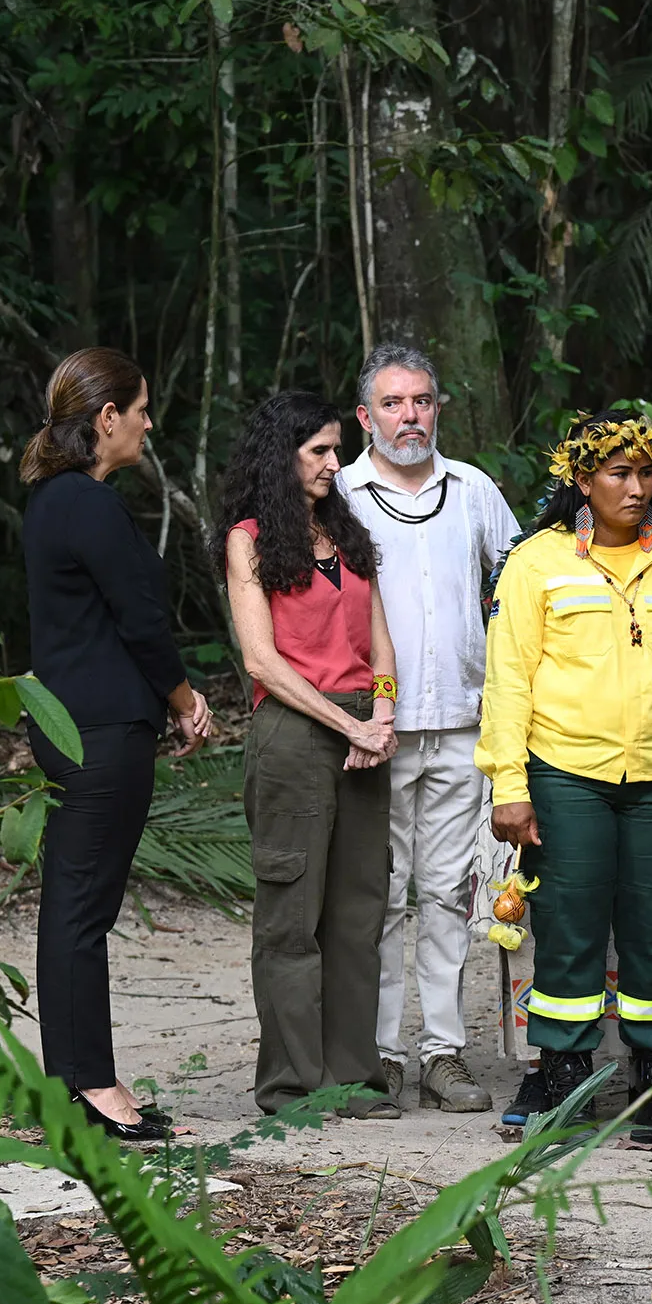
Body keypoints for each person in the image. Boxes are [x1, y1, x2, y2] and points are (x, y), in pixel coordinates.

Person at [477, 411, 652, 1149]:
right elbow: (509, 680)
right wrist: (509, 782)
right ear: (583, 480)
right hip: (567, 776)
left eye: (646, 472)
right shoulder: (537, 563)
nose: (637, 487)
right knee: (570, 933)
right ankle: (565, 1082)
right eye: (619, 473)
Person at [21, 346, 213, 1142]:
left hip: (73, 722)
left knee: (75, 904)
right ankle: (87, 1086)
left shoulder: (50, 500)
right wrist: (185, 699)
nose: (146, 423)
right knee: (80, 908)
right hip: (99, 727)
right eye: (138, 410)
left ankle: (82, 1076)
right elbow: (140, 620)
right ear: (106, 419)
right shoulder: (90, 506)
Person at [337, 343, 519, 1118]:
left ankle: (442, 1051)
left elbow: (515, 585)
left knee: (448, 894)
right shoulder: (339, 493)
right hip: (373, 732)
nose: (409, 416)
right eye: (393, 403)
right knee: (377, 896)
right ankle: (377, 1053)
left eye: (421, 401)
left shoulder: (473, 489)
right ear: (364, 416)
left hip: (462, 726)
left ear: (438, 407)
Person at [221, 390, 401, 1119]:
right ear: (282, 456)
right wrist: (347, 726)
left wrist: (383, 711)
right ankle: (292, 1085)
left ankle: (353, 1080)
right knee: (292, 916)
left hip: (364, 727)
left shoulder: (347, 531)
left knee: (358, 913)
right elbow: (262, 662)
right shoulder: (249, 537)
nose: (336, 463)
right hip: (295, 735)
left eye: (337, 449)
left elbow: (380, 635)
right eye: (320, 451)